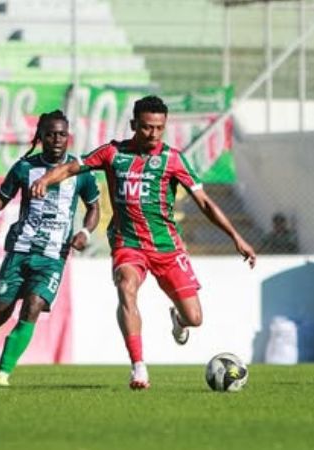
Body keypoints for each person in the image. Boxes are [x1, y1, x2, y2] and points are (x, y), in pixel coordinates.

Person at [30, 95, 257, 389]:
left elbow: (204, 203)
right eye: (147, 127)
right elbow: (73, 167)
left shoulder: (173, 159)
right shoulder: (112, 153)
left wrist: (236, 238)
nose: (153, 134)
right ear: (134, 124)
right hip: (128, 243)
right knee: (126, 287)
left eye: (159, 128)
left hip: (167, 247)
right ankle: (138, 367)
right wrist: (46, 180)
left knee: (195, 317)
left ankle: (179, 319)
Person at [0, 110, 100, 387]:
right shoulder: (24, 168)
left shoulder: (81, 172)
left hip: (54, 256)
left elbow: (94, 207)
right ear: (40, 136)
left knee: (33, 307)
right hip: (20, 250)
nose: (57, 139)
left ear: (69, 137)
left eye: (62, 134)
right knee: (2, 312)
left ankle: (3, 373)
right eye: (51, 134)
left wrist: (85, 232)